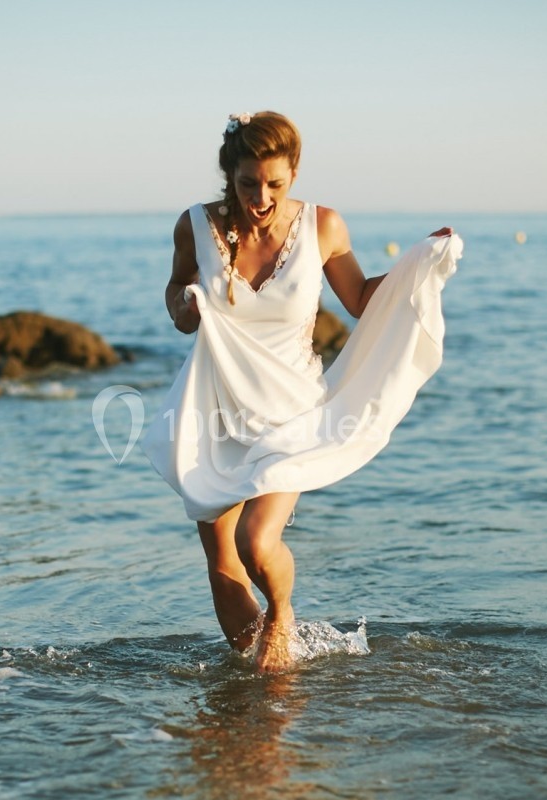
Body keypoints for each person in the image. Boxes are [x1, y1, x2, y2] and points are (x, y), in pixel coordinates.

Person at [142, 111, 463, 673]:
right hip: (213, 407)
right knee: (222, 564)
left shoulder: (322, 226)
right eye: (248, 183)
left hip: (291, 413)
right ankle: (263, 683)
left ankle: (282, 614)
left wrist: (417, 265)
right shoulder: (194, 225)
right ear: (230, 174)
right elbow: (175, 291)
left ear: (293, 173)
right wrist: (184, 306)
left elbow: (359, 299)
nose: (261, 198)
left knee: (256, 543)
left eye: (274, 183)